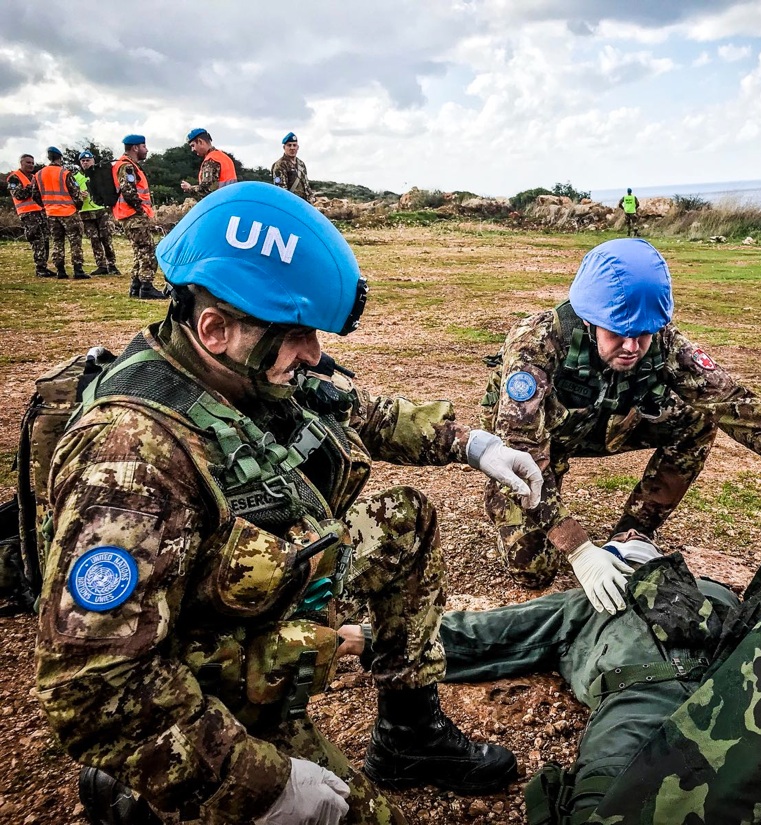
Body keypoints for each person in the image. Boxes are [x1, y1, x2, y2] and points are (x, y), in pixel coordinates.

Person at [35, 182, 544, 825]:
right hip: (205, 677)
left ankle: (409, 736)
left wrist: (472, 443)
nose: (314, 353)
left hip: (269, 585)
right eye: (298, 334)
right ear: (215, 328)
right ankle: (143, 792)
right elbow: (94, 684)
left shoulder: (242, 371)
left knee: (402, 519)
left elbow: (355, 410)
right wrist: (257, 786)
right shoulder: (130, 461)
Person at [363, 418, 761, 824]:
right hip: (645, 700)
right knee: (610, 802)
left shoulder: (716, 591)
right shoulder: (587, 599)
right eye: (620, 549)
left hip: (747, 691)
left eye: (635, 546)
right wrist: (367, 638)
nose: (627, 550)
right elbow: (491, 633)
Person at [478, 237, 761, 612]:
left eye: (643, 334)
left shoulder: (664, 341)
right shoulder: (538, 341)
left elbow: (732, 403)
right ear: (589, 319)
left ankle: (634, 531)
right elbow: (520, 449)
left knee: (698, 418)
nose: (632, 347)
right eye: (618, 333)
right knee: (532, 571)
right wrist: (579, 548)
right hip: (537, 443)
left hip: (609, 424)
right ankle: (504, 499)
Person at [112, 134, 168, 300]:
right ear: (135, 148)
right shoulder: (127, 167)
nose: (147, 150)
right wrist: (140, 210)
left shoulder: (126, 165)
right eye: (144, 146)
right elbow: (128, 190)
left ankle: (136, 286)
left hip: (128, 215)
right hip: (133, 215)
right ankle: (146, 286)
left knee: (139, 250)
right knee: (148, 250)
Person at [34, 146, 86, 279]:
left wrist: (46, 206)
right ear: (60, 158)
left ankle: (60, 270)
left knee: (57, 242)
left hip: (51, 213)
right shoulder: (65, 173)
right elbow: (75, 193)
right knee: (75, 242)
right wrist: (78, 205)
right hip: (69, 212)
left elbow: (35, 194)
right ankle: (78, 270)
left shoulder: (38, 174)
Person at [73, 150, 120, 276]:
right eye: (83, 161)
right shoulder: (75, 177)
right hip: (85, 212)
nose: (85, 162)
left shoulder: (99, 174)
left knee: (106, 237)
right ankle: (101, 265)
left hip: (100, 210)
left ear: (93, 161)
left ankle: (112, 264)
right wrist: (78, 195)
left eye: (88, 160)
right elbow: (70, 193)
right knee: (94, 239)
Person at [6, 153, 52, 277]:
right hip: (28, 213)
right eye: (28, 162)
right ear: (21, 163)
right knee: (37, 240)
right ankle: (40, 268)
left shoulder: (33, 177)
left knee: (45, 239)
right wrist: (32, 186)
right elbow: (18, 195)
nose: (31, 165)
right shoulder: (14, 177)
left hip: (40, 212)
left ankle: (44, 266)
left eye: (32, 163)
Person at [181, 128, 238, 199]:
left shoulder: (211, 160)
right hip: (231, 201)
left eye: (193, 146)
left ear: (200, 141)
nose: (193, 150)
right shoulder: (223, 157)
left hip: (219, 203)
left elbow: (207, 189)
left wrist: (189, 188)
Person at [272, 132, 314, 202]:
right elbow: (281, 190)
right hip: (291, 203)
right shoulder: (280, 165)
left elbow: (306, 185)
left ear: (298, 147)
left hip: (304, 204)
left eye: (294, 145)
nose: (292, 148)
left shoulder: (301, 164)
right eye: (289, 145)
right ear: (284, 147)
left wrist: (312, 198)